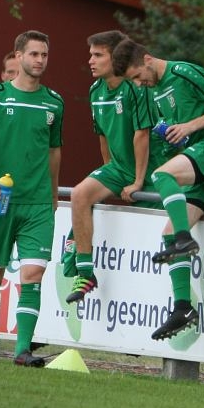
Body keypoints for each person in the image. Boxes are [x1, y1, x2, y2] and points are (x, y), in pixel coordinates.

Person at [111, 39, 204, 341]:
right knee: (169, 232)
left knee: (162, 176)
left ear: (147, 59)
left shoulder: (183, 72)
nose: (138, 84)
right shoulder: (152, 91)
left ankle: (185, 240)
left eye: (136, 76)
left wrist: (189, 127)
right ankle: (183, 308)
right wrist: (178, 135)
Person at [0, 30, 63, 366]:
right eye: (34, 54)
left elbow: (54, 151)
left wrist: (53, 192)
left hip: (37, 203)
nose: (40, 60)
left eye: (45, 55)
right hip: (0, 201)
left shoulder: (54, 102)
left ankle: (22, 350)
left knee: (33, 275)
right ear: (19, 55)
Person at [63, 30, 163, 303]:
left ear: (116, 57)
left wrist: (138, 181)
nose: (91, 61)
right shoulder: (95, 91)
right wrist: (109, 176)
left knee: (157, 245)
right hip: (119, 169)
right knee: (79, 195)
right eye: (90, 55)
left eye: (98, 55)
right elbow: (103, 137)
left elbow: (142, 135)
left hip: (152, 171)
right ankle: (85, 271)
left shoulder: (136, 86)